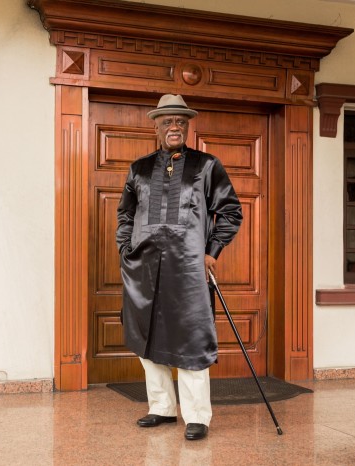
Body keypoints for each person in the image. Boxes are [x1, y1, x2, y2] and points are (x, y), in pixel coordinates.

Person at [116, 94, 243, 441]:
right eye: (168, 121)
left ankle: (197, 416)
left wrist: (211, 251)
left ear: (187, 127)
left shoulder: (206, 166)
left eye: (180, 122)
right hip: (143, 267)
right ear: (156, 126)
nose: (174, 126)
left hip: (188, 269)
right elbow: (125, 214)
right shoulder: (138, 169)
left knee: (190, 338)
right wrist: (126, 248)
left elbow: (231, 212)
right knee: (147, 335)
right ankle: (161, 407)